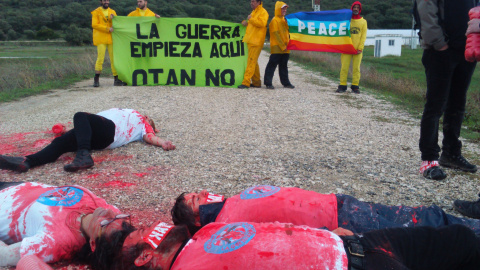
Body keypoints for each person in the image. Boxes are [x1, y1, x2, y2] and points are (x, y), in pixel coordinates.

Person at [116, 220, 480, 270]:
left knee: (463, 241)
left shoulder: (205, 232)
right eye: (142, 232)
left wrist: (327, 232)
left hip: (360, 244)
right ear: (146, 255)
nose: (150, 225)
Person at [171, 185, 480, 235]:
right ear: (198, 218)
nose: (203, 193)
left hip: (340, 204)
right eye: (197, 199)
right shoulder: (226, 226)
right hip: (343, 221)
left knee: (421, 215)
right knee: (427, 222)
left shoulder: (231, 203)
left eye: (197, 191)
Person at [0, 182, 135, 268]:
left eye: (106, 223)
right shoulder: (104, 210)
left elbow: (3, 256)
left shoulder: (55, 241)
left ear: (93, 244)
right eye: (118, 217)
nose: (110, 213)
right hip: (20, 185)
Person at [0, 108, 175, 173]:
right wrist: (68, 131)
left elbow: (150, 137)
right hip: (96, 133)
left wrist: (162, 142)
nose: (147, 116)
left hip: (110, 131)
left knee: (80, 115)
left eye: (149, 119)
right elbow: (87, 126)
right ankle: (28, 161)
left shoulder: (143, 123)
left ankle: (84, 154)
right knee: (60, 143)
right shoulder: (130, 112)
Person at [416, 0, 478, 180]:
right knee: (435, 106)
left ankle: (451, 153)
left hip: (466, 50)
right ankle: (429, 159)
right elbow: (426, 10)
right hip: (440, 51)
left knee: (457, 104)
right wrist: (439, 43)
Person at [91, 0, 126, 87]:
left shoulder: (112, 11)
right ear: (101, 1)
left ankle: (116, 79)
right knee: (100, 58)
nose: (106, 2)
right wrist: (107, 29)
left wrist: (113, 19)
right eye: (104, 0)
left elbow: (117, 23)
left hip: (111, 38)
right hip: (100, 38)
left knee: (113, 59)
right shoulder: (96, 12)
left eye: (107, 0)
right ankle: (96, 79)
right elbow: (94, 25)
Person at [336, 1, 367, 94]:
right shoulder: (346, 20)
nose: (356, 9)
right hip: (346, 49)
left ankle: (355, 86)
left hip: (358, 50)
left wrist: (360, 48)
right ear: (351, 8)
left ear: (360, 9)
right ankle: (342, 85)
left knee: (356, 68)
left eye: (358, 7)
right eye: (354, 7)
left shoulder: (363, 21)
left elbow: (363, 36)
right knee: (344, 68)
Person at [263, 2, 294, 90]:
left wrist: (287, 46)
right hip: (277, 47)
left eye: (285, 9)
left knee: (284, 66)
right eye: (282, 8)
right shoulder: (274, 20)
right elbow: (276, 35)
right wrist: (282, 46)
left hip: (286, 47)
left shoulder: (285, 20)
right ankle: (268, 83)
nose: (284, 10)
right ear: (278, 9)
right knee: (272, 65)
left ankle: (286, 83)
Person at [237, 0, 269, 89]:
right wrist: (245, 22)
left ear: (259, 2)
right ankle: (256, 82)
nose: (251, 3)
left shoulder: (263, 12)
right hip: (251, 40)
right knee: (254, 62)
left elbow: (262, 23)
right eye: (251, 1)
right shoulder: (253, 12)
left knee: (251, 61)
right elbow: (251, 24)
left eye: (254, 1)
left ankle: (246, 82)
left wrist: (251, 19)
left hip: (256, 41)